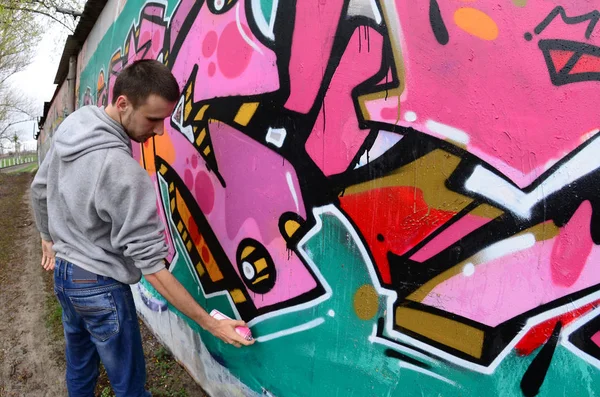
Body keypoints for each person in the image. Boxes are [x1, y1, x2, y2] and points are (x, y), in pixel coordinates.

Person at [30, 59, 254, 397]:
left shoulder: (75, 123)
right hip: (100, 286)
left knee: (79, 367)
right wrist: (211, 324)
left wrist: (48, 238)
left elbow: (39, 189)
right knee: (129, 387)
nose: (160, 130)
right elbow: (154, 269)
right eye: (153, 119)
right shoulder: (123, 172)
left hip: (65, 277)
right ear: (123, 104)